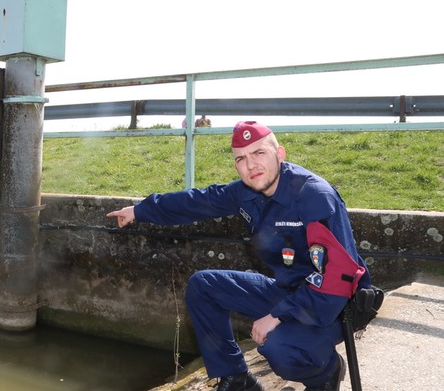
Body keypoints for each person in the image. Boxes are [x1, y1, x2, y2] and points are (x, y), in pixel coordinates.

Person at [107, 121, 372, 391]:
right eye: (241, 159)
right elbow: (199, 200)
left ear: (280, 154)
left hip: (334, 304)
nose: (251, 165)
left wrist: (277, 316)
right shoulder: (247, 190)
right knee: (204, 286)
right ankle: (236, 378)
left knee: (279, 348)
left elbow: (337, 278)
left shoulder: (314, 196)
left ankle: (326, 372)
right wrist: (140, 210)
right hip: (289, 290)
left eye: (259, 153)